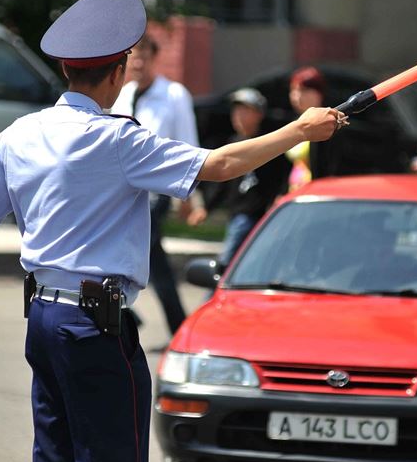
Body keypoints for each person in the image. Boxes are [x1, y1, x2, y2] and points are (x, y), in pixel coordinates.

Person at [0, 0, 342, 462]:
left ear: (64, 69)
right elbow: (220, 164)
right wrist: (298, 131)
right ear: (118, 73)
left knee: (54, 459)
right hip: (93, 326)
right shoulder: (116, 139)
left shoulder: (19, 135)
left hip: (44, 321)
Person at [110, 34, 198, 336]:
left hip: (156, 191)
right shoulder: (122, 94)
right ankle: (135, 315)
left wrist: (188, 197)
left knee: (146, 255)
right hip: (122, 191)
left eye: (143, 54)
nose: (137, 61)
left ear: (153, 57)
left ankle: (173, 326)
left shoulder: (173, 95)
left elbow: (188, 143)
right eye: (132, 55)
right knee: (144, 257)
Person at [187, 88, 292, 268]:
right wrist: (206, 207)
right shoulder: (233, 144)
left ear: (259, 114)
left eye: (245, 111)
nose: (238, 116)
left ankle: (214, 291)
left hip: (258, 214)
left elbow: (283, 174)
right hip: (237, 214)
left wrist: (281, 195)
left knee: (229, 263)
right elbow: (222, 182)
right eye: (236, 111)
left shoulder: (268, 144)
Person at [287, 66, 326, 189]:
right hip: (295, 193)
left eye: (303, 90)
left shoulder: (327, 124)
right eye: (293, 90)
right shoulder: (295, 122)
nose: (296, 96)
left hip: (316, 194)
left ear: (319, 94)